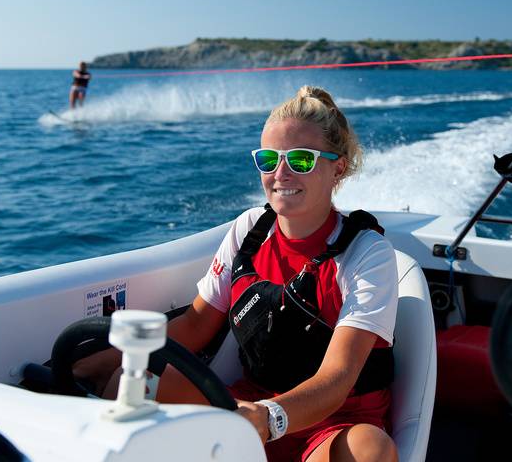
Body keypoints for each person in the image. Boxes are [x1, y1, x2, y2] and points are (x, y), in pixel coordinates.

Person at [77, 86, 399, 462]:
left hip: (332, 423)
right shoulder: (250, 230)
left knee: (370, 449)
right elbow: (196, 325)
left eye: (301, 160)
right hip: (247, 407)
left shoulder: (367, 254)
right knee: (129, 384)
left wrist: (269, 418)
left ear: (337, 168)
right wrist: (92, 367)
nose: (281, 173)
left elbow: (338, 378)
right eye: (268, 159)